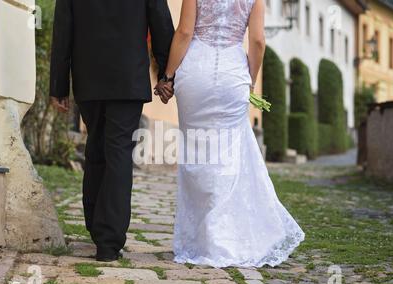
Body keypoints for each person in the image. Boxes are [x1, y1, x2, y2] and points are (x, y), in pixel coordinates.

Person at [160, 0, 305, 268]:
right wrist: (249, 80)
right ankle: (221, 236)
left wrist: (168, 75)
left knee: (197, 155)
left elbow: (184, 33)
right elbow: (258, 41)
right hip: (232, 74)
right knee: (227, 157)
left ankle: (200, 239)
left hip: (195, 73)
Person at [49, 0, 175, 262]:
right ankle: (108, 241)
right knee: (117, 151)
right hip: (128, 78)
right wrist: (167, 74)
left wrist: (58, 85)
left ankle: (97, 227)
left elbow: (63, 30)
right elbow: (161, 24)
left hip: (88, 77)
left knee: (95, 145)